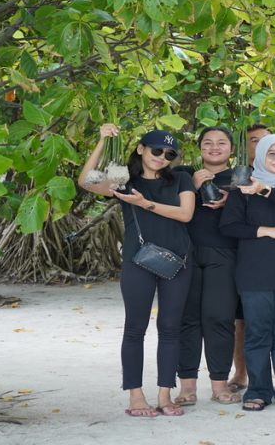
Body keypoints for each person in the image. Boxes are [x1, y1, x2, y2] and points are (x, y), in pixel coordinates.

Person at [79, 126, 195, 418]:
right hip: (137, 259)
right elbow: (85, 181)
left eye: (169, 154)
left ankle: (165, 395)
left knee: (170, 328)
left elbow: (185, 214)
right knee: (135, 328)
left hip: (178, 260)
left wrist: (145, 203)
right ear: (141, 149)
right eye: (157, 150)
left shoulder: (181, 178)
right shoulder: (123, 181)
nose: (162, 157)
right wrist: (102, 140)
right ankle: (136, 396)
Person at [219, 134, 275, 412]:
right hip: (254, 271)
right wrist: (269, 231)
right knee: (257, 334)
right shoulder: (242, 189)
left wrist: (264, 190)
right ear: (260, 156)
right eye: (272, 154)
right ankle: (258, 390)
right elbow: (229, 226)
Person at [173, 127, 242, 407]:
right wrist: (192, 185)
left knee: (220, 318)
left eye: (221, 143)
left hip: (224, 254)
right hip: (185, 253)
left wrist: (231, 202)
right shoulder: (183, 174)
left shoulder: (240, 178)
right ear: (199, 147)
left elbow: (254, 212)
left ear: (231, 149)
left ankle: (220, 386)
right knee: (186, 319)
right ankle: (187, 387)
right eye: (208, 142)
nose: (214, 147)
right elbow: (165, 205)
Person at [228, 123, 272, 394]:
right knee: (242, 320)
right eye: (254, 140)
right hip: (240, 255)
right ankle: (241, 372)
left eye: (267, 139)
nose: (262, 144)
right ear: (244, 147)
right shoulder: (235, 177)